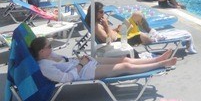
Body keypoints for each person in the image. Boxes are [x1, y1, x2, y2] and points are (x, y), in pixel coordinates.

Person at [30, 37, 177, 83]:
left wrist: (79, 59)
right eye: (49, 46)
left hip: (86, 63)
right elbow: (65, 78)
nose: (52, 47)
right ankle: (161, 63)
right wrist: (81, 64)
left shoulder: (49, 55)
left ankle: (158, 58)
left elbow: (66, 60)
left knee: (124, 59)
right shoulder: (45, 66)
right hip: (85, 71)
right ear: (41, 51)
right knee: (125, 67)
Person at [85, 2, 154, 46]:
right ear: (94, 13)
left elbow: (107, 33)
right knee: (144, 37)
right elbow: (108, 41)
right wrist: (106, 25)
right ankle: (152, 38)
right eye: (101, 12)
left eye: (103, 11)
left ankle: (150, 31)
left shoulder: (98, 21)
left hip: (119, 33)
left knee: (137, 15)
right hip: (119, 40)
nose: (103, 13)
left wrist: (116, 29)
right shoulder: (96, 27)